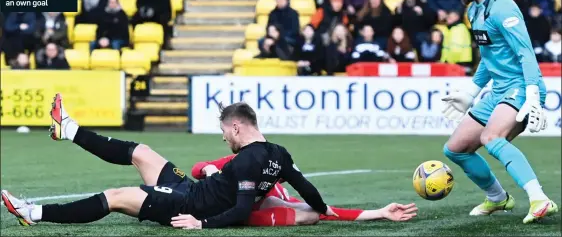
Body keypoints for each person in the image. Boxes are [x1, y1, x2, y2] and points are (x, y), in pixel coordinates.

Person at [2, 96, 339, 229]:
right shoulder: (280, 154)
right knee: (142, 151)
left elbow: (239, 213)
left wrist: (200, 224)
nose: (224, 138)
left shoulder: (249, 161)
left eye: (225, 131)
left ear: (237, 127)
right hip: (190, 188)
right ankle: (69, 129)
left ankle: (32, 213)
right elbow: (307, 189)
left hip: (184, 203)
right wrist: (322, 208)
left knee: (118, 196)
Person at [443, 0, 558, 224]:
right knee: (455, 149)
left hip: (521, 86)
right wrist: (472, 91)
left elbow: (525, 52)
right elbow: (489, 56)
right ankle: (498, 198)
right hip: (498, 91)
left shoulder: (503, 6)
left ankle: (540, 199)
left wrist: (532, 93)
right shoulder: (474, 11)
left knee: (491, 138)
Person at [191, 154, 418, 227]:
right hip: (219, 204)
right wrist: (210, 170)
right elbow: (196, 168)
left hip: (254, 205)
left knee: (308, 213)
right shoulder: (245, 161)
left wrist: (380, 212)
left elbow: (322, 210)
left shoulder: (277, 189)